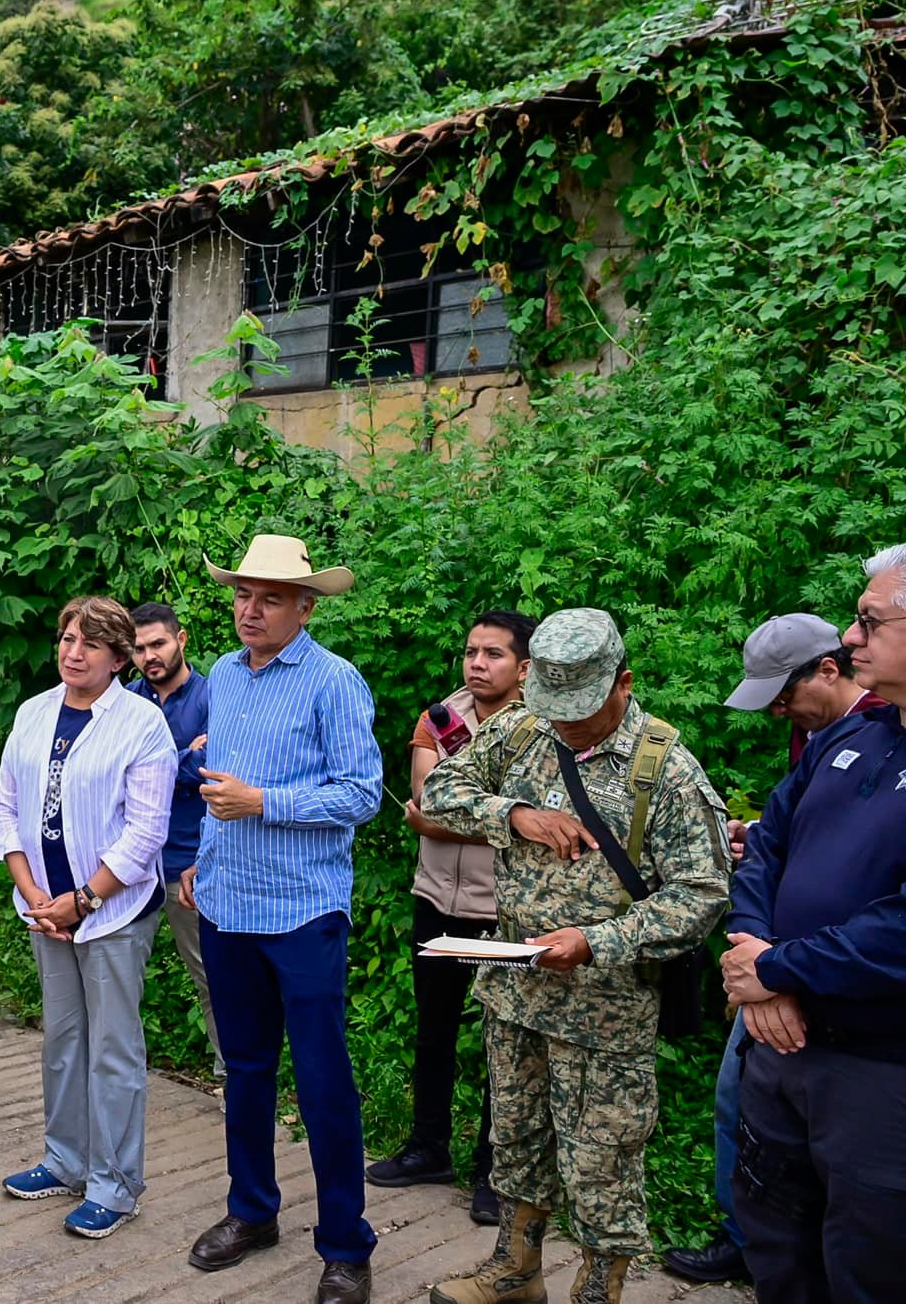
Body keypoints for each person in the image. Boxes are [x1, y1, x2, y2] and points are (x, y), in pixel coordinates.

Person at [721, 540, 906, 1304]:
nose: (848, 639)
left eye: (867, 621)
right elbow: (764, 852)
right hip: (785, 1055)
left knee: (883, 1284)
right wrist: (762, 970)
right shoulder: (854, 736)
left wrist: (777, 969)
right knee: (781, 1265)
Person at [420, 608, 729, 1304]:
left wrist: (597, 940)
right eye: (553, 709)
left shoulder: (664, 769)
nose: (563, 726)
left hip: (605, 1011)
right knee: (517, 1136)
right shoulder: (523, 726)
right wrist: (515, 815)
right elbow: (440, 791)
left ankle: (597, 1291)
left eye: (579, 714)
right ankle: (516, 1270)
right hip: (517, 993)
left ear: (623, 683)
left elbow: (703, 893)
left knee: (602, 1161)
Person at [177, 535, 382, 1304]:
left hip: (302, 911)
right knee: (246, 1070)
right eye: (240, 594)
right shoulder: (225, 677)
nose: (248, 609)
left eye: (267, 597)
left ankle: (345, 1246)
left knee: (324, 1080)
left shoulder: (335, 682)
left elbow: (361, 796)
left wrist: (265, 803)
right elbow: (224, 783)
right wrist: (207, 852)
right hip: (228, 903)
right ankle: (252, 1212)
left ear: (306, 606)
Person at [663, 613, 884, 1286]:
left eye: (786, 696)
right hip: (769, 957)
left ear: (829, 668)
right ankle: (751, 1237)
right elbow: (795, 842)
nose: (781, 711)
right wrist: (759, 843)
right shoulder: (812, 734)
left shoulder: (886, 732)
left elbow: (874, 867)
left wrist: (775, 971)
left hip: (829, 974)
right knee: (741, 1100)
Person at [0, 597, 175, 1239]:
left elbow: (146, 833)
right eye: (68, 638)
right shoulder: (34, 711)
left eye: (90, 644)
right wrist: (34, 893)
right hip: (45, 909)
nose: (73, 652)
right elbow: (7, 806)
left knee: (113, 1049)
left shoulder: (141, 723)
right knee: (62, 1041)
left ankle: (116, 1185)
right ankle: (66, 1160)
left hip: (111, 914)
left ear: (119, 658)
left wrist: (85, 899)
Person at [368, 610, 536, 1227]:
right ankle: (427, 1147)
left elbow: (539, 823)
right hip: (436, 899)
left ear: (524, 666)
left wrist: (469, 816)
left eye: (493, 654)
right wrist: (501, 816)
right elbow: (427, 804)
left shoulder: (546, 729)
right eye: (471, 652)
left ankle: (495, 1171)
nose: (477, 663)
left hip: (505, 913)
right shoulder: (441, 719)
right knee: (434, 1029)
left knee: (504, 1041)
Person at [126, 600, 222, 1075]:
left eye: (158, 643)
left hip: (190, 863)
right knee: (120, 979)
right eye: (139, 648)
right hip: (130, 864)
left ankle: (232, 1078)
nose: (149, 656)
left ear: (181, 640)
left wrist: (168, 765)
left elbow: (213, 773)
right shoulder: (125, 700)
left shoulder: (213, 697)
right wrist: (184, 756)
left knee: (212, 979)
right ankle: (120, 1075)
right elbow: (117, 778)